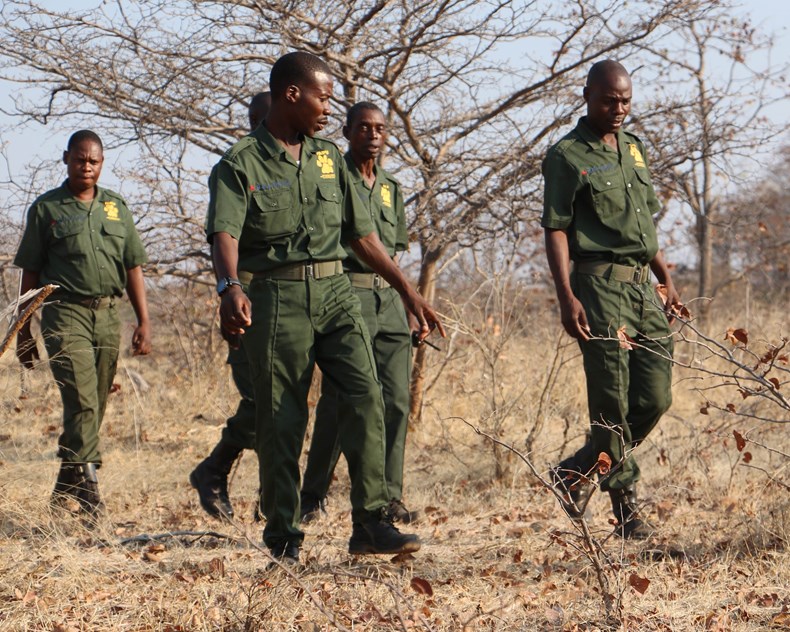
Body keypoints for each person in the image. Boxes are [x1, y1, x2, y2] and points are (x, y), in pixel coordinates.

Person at [206, 51, 444, 564]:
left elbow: (361, 234)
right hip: (278, 297)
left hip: (337, 294)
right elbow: (223, 231)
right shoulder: (240, 162)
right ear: (292, 94)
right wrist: (229, 286)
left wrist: (407, 289)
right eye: (322, 98)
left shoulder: (328, 157)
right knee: (282, 420)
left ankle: (370, 522)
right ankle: (284, 539)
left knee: (367, 396)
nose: (328, 110)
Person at [541, 60, 681, 539]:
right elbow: (556, 228)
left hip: (643, 287)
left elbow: (647, 228)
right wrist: (566, 296)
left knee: (656, 396)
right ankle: (627, 512)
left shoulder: (634, 149)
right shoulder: (566, 155)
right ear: (587, 96)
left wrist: (666, 280)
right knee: (611, 399)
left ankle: (578, 470)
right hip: (598, 287)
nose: (619, 109)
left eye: (625, 100)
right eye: (609, 100)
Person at [14, 130, 151, 517]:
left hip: (108, 314)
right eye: (79, 159)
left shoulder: (116, 207)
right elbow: (31, 272)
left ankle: (65, 483)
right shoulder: (47, 208)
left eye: (93, 161)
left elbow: (133, 266)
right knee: (82, 398)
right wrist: (24, 330)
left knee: (94, 402)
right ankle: (90, 493)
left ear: (101, 163)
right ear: (66, 159)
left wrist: (144, 320)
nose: (86, 167)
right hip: (64, 312)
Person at [300, 102, 417, 525]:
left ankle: (390, 496)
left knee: (397, 400)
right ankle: (312, 493)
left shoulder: (391, 187)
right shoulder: (331, 177)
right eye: (363, 127)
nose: (373, 134)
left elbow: (396, 254)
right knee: (338, 401)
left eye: (380, 128)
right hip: (347, 295)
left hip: (389, 302)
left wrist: (409, 305)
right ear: (347, 131)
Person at [189, 91, 272, 521]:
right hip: (248, 304)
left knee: (284, 402)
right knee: (263, 400)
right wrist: (229, 294)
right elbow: (223, 240)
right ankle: (215, 468)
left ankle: (267, 495)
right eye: (257, 120)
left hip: (291, 304)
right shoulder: (239, 170)